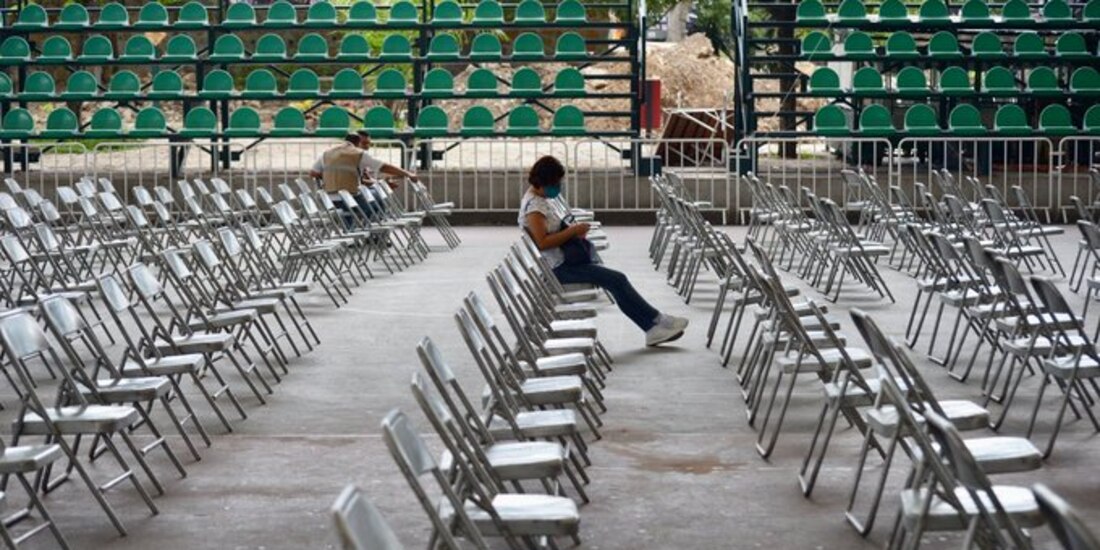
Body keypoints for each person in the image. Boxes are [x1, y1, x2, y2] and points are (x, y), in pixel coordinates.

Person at [519, 155, 689, 347]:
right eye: (556, 183)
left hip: (562, 262)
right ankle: (655, 324)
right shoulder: (534, 208)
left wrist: (572, 231)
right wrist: (573, 231)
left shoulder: (538, 198)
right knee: (617, 280)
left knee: (616, 281)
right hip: (558, 268)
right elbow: (542, 242)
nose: (558, 187)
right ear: (543, 182)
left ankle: (655, 324)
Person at [309, 129, 418, 219]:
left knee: (371, 197)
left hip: (329, 200)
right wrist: (408, 174)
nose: (367, 147)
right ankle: (375, 235)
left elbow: (313, 173)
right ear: (357, 143)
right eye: (364, 143)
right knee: (376, 203)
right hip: (350, 198)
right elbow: (384, 167)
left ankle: (355, 234)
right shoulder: (358, 154)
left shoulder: (326, 153)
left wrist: (331, 178)